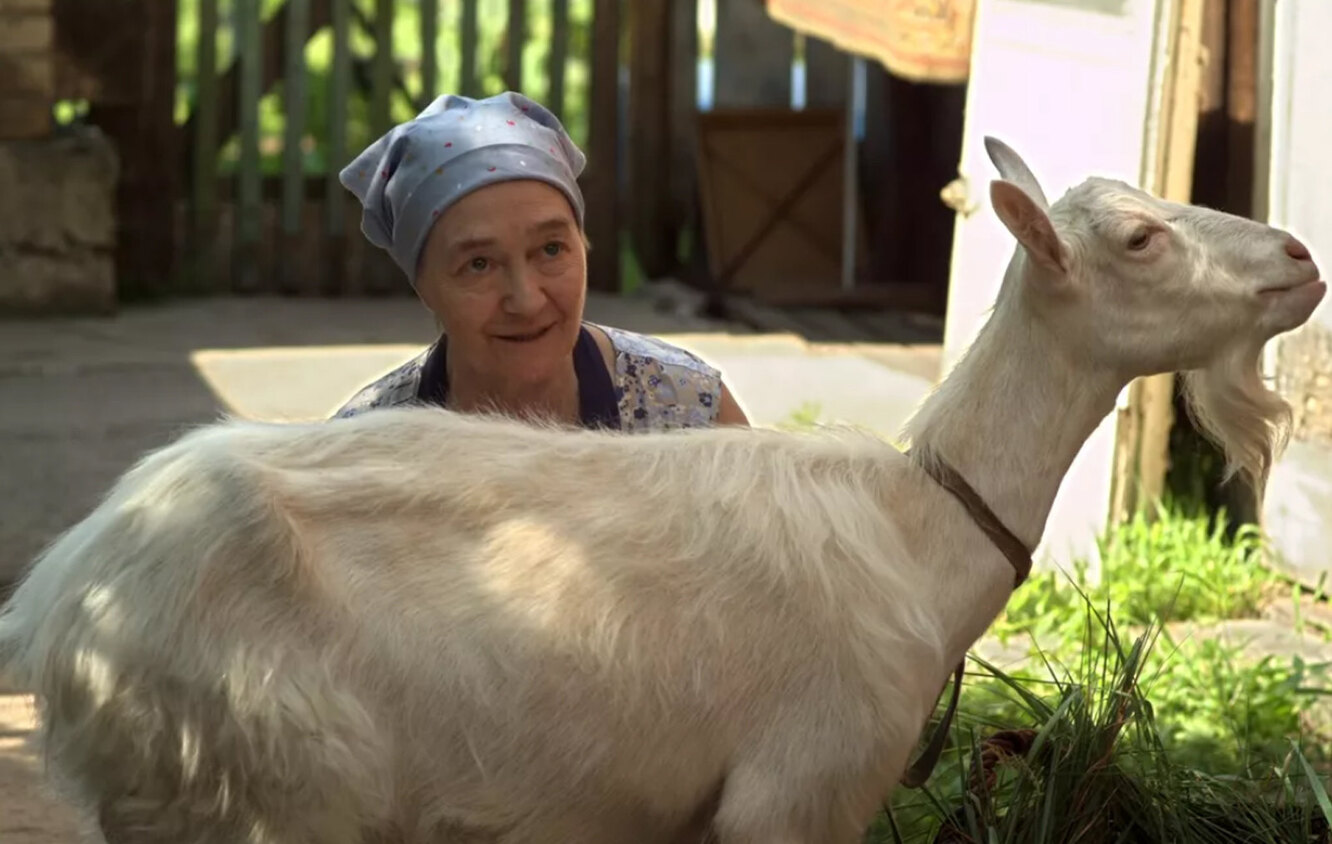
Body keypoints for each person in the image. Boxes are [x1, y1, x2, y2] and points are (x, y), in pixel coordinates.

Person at [331, 90, 749, 431]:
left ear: (582, 244)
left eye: (550, 249)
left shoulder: (688, 412)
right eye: (479, 264)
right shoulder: (365, 455)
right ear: (422, 285)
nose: (527, 301)